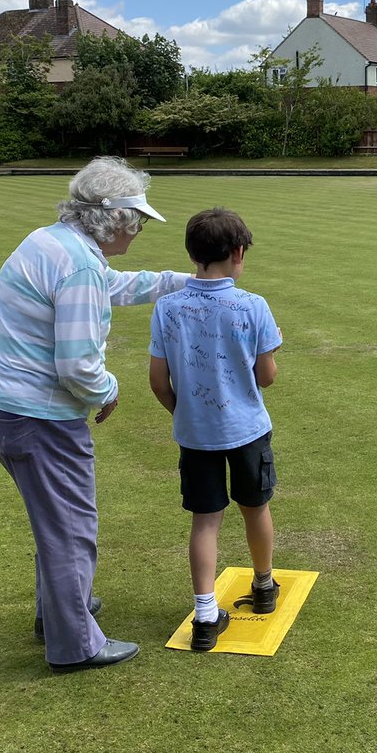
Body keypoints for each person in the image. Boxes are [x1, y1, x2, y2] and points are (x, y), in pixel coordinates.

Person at [0, 157, 190, 672]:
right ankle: (76, 644)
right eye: (135, 221)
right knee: (70, 526)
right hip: (37, 416)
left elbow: (109, 286)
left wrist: (178, 282)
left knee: (55, 522)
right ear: (112, 218)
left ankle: (62, 610)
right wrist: (107, 390)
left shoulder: (51, 241)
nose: (137, 232)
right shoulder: (80, 264)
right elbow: (77, 365)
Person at [149, 207, 283, 652]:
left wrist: (183, 413)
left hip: (195, 434)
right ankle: (264, 587)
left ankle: (206, 615)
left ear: (194, 254)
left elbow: (157, 380)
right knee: (255, 506)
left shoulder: (167, 307)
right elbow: (266, 376)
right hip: (247, 429)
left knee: (205, 521)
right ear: (238, 252)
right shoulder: (253, 306)